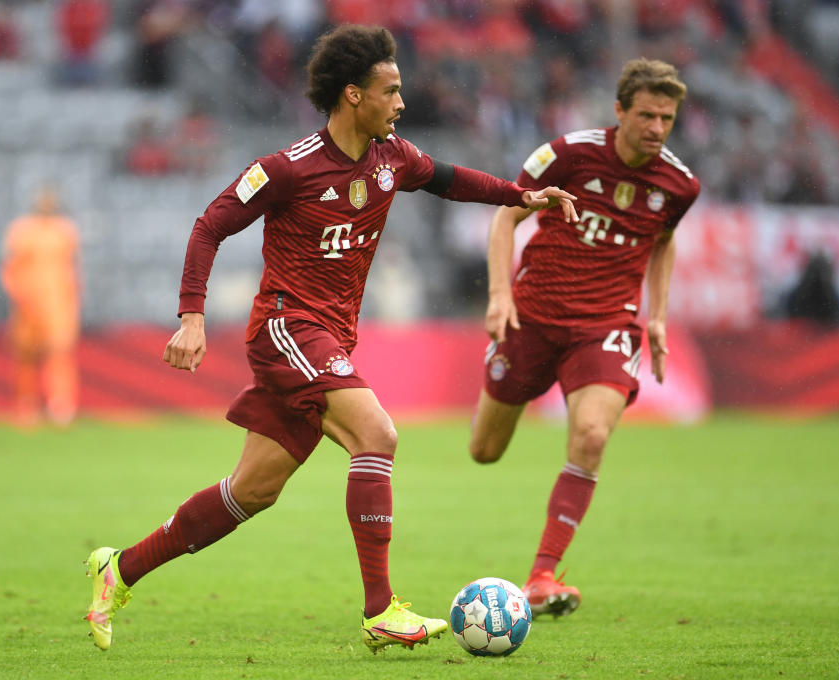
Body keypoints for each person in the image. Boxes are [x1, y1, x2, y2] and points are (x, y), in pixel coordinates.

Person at [84, 24, 576, 654]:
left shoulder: (392, 158)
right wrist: (191, 316)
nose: (401, 103)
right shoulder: (287, 169)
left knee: (251, 492)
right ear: (352, 95)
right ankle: (381, 611)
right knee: (377, 435)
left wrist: (524, 196)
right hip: (286, 327)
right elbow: (210, 226)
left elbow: (452, 179)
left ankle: (118, 569)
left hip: (330, 337)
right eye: (390, 90)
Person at [468, 58, 700, 617]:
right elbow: (506, 218)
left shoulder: (679, 184)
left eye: (666, 118)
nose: (656, 127)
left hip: (605, 325)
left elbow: (663, 241)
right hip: (532, 316)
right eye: (646, 114)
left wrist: (658, 315)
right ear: (619, 111)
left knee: (592, 436)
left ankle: (543, 574)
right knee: (485, 451)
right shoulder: (567, 155)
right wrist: (500, 295)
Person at [0, 186, 82, 426]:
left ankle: (61, 406)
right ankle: (27, 405)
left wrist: (73, 299)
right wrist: (17, 293)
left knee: (59, 355)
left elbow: (73, 269)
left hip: (58, 303)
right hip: (27, 302)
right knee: (26, 357)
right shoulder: (21, 230)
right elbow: (11, 266)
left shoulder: (64, 231)